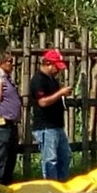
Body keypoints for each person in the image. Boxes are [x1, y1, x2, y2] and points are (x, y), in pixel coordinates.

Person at [30, 49, 73, 181]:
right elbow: (42, 102)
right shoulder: (38, 80)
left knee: (66, 156)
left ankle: (61, 183)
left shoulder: (52, 79)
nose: (58, 70)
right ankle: (50, 186)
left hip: (57, 125)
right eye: (56, 67)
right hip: (46, 126)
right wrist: (60, 93)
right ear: (48, 63)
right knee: (50, 159)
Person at [0, 52, 22, 185]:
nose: (12, 64)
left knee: (10, 157)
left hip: (11, 124)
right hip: (2, 123)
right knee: (1, 157)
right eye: (8, 61)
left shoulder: (7, 78)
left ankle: (7, 185)